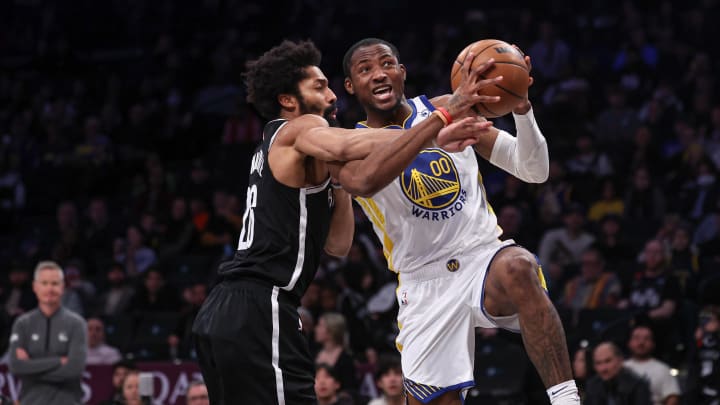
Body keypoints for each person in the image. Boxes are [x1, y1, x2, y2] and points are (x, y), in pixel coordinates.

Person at [191, 39, 497, 405]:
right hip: (262, 303)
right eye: (319, 87)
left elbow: (338, 245)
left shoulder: (286, 149)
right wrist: (435, 124)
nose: (333, 95)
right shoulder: (298, 126)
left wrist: (341, 184)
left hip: (226, 308)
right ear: (289, 100)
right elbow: (345, 146)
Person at [339, 38, 579, 404]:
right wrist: (440, 127)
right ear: (351, 86)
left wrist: (522, 108)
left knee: (518, 266)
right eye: (365, 69)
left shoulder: (448, 107)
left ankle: (566, 398)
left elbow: (534, 170)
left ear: (402, 73)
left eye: (386, 63)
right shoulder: (349, 145)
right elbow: (366, 181)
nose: (378, 74)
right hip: (423, 283)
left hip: (481, 258)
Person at [7, 260, 88, 405]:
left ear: (63, 287)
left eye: (55, 283)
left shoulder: (77, 324)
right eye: (44, 283)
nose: (49, 289)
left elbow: (74, 369)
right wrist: (58, 361)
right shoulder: (23, 323)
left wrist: (31, 367)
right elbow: (15, 366)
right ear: (35, 287)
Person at [624, 325, 681, 405]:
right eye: (636, 338)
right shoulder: (622, 368)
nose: (641, 342)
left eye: (646, 339)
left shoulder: (662, 369)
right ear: (629, 343)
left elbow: (672, 397)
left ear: (653, 344)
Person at [585, 342, 652, 405]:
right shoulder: (592, 385)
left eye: (607, 361)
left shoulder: (638, 386)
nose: (603, 368)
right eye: (598, 363)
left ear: (620, 360)